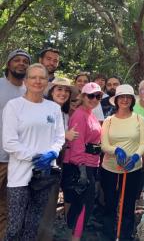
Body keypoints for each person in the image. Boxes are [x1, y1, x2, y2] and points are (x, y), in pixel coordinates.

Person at [2, 63, 65, 240]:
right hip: (19, 176)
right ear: (26, 81)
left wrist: (52, 153)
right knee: (15, 227)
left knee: (32, 224)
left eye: (42, 77)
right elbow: (9, 142)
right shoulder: (14, 106)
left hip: (44, 175)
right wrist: (36, 156)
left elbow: (59, 137)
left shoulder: (53, 108)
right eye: (33, 77)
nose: (38, 81)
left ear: (47, 81)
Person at [100, 84, 144, 239]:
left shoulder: (139, 119)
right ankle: (109, 235)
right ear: (117, 99)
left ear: (132, 100)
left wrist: (135, 157)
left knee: (128, 206)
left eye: (128, 97)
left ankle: (126, 235)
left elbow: (143, 143)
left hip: (132, 169)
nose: (125, 100)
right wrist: (116, 150)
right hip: (110, 168)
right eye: (122, 97)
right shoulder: (109, 120)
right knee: (110, 204)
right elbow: (104, 145)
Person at [38, 77, 78, 241]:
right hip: (40, 165)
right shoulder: (43, 110)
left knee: (49, 207)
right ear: (51, 91)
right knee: (39, 207)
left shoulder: (64, 114)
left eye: (66, 90)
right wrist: (64, 137)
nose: (63, 93)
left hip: (57, 165)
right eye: (59, 89)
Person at [62, 82, 103, 240]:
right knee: (82, 206)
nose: (94, 99)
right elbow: (77, 145)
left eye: (98, 96)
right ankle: (74, 238)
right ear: (83, 96)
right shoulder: (79, 114)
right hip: (80, 166)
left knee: (84, 205)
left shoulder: (90, 113)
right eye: (90, 95)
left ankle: (74, 236)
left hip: (91, 164)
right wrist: (82, 171)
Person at [0, 49, 30, 239]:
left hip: (16, 160)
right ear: (9, 64)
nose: (21, 63)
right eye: (17, 60)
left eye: (25, 61)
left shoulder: (29, 91)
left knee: (6, 207)